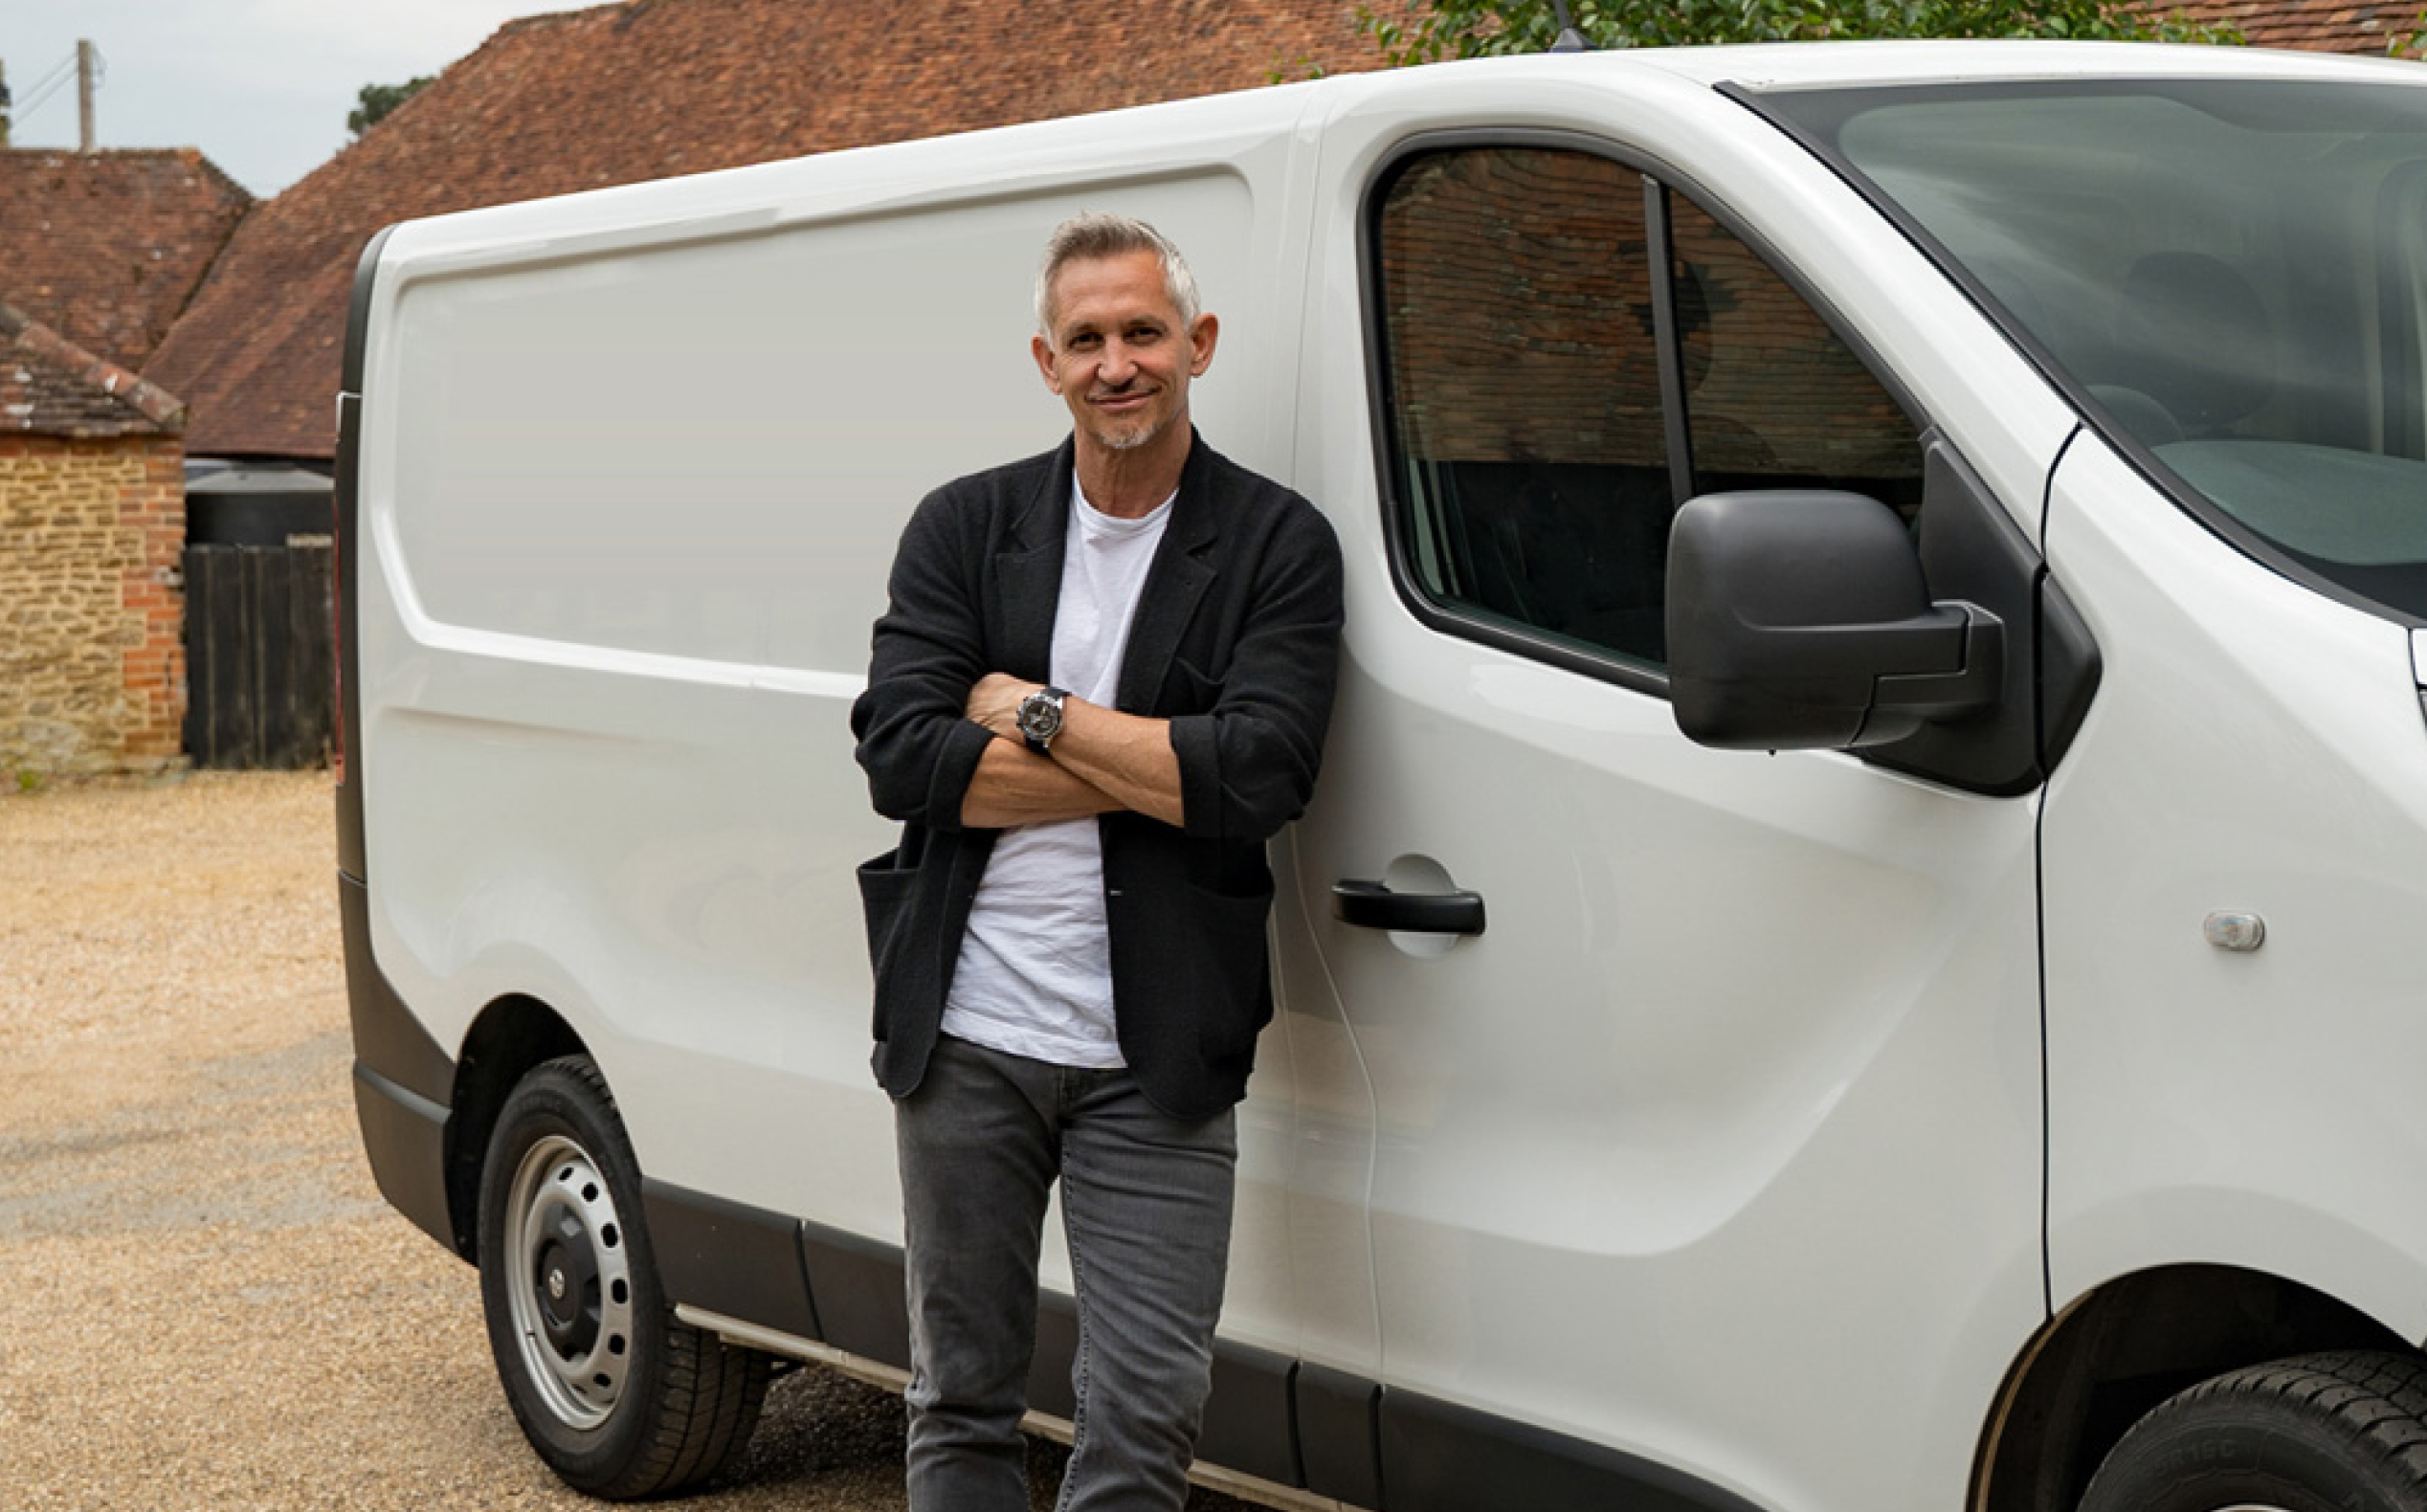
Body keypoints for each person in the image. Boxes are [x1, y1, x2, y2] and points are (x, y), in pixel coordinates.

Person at [849, 211, 1345, 1512]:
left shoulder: (1276, 542)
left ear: (1199, 343)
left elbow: (1259, 776)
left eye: (1142, 332)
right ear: (1047, 362)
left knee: (1145, 1417)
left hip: (1158, 1054)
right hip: (966, 1035)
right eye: (1086, 339)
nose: (1116, 364)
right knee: (958, 1402)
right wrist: (1160, 765)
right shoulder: (965, 527)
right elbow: (901, 755)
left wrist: (1034, 712)